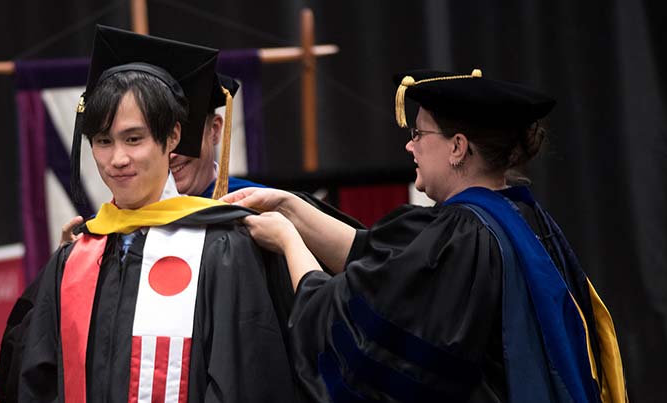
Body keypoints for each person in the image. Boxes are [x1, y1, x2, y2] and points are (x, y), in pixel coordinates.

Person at [222, 69, 627, 402]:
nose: (409, 146)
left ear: (457, 147)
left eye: (419, 134)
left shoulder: (461, 237)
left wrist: (288, 241)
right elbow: (374, 257)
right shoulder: (517, 217)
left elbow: (354, 325)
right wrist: (289, 207)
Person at [0, 25, 299, 403]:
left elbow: (247, 380)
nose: (117, 159)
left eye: (133, 139)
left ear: (171, 138)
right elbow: (30, 379)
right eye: (103, 142)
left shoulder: (220, 248)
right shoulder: (77, 258)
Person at [59, 74, 267, 245]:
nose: (170, 153)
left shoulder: (254, 213)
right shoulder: (102, 232)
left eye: (133, 139)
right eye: (105, 140)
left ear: (214, 131)